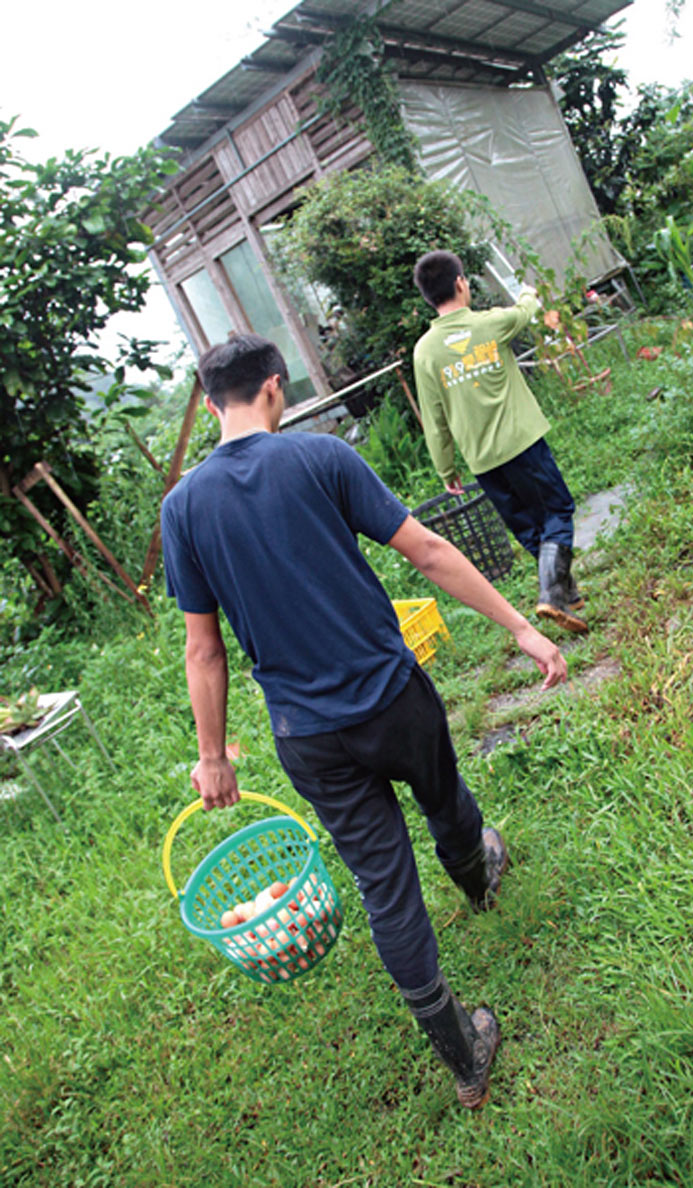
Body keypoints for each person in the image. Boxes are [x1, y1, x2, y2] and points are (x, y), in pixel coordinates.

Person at [161, 334, 567, 1109]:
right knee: (443, 796)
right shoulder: (321, 460)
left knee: (385, 887)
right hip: (390, 695)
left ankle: (461, 1050)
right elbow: (427, 549)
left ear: (211, 403)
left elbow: (202, 650)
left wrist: (214, 756)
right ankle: (477, 876)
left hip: (307, 735)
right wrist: (519, 626)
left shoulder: (182, 509)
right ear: (274, 388)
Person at [412, 249, 587, 634]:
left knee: (527, 526)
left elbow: (434, 420)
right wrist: (527, 292)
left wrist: (447, 468)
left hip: (483, 460)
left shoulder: (424, 351)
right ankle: (552, 592)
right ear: (461, 284)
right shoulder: (490, 324)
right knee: (557, 510)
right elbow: (525, 311)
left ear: (428, 295)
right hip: (523, 443)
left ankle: (567, 595)